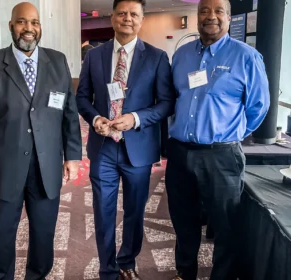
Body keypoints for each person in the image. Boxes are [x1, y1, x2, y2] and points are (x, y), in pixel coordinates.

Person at [0, 2, 82, 279]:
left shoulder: (58, 61)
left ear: (39, 27)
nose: (28, 28)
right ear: (11, 26)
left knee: (43, 233)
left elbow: (69, 112)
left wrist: (73, 156)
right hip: (2, 169)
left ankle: (37, 275)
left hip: (46, 168)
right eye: (21, 22)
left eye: (34, 22)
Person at [166, 0, 270, 279]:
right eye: (204, 11)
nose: (210, 16)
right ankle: (184, 273)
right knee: (183, 222)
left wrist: (231, 132)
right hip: (180, 153)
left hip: (221, 156)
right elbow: (175, 98)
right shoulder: (182, 55)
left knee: (225, 226)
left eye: (218, 11)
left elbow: (258, 107)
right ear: (197, 16)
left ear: (229, 17)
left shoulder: (247, 56)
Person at [76, 0, 175, 279]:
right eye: (122, 13)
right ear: (112, 18)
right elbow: (82, 97)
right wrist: (96, 119)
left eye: (134, 14)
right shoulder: (94, 56)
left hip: (139, 149)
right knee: (103, 212)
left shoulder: (156, 57)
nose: (127, 18)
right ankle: (107, 269)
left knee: (134, 212)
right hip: (104, 147)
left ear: (141, 20)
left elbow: (166, 103)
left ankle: (126, 263)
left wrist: (136, 118)